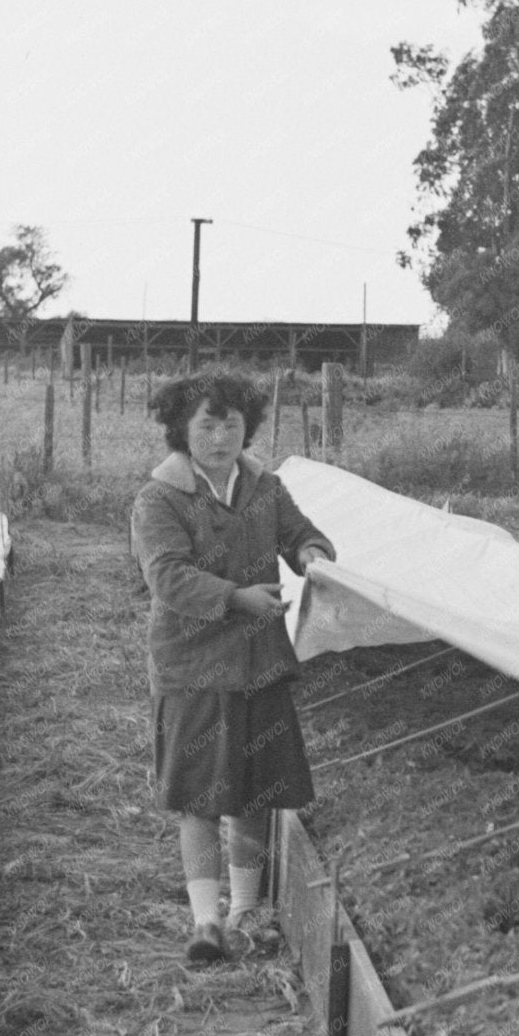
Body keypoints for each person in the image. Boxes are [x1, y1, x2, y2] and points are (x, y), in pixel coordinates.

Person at [130, 368, 335, 966]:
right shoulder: (159, 498)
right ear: (181, 430)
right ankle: (205, 921)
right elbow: (168, 577)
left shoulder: (264, 488)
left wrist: (311, 552)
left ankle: (246, 909)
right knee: (200, 796)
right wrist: (237, 598)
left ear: (248, 429)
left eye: (233, 425)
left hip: (259, 663)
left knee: (255, 791)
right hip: (192, 666)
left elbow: (301, 532)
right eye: (207, 425)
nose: (221, 438)